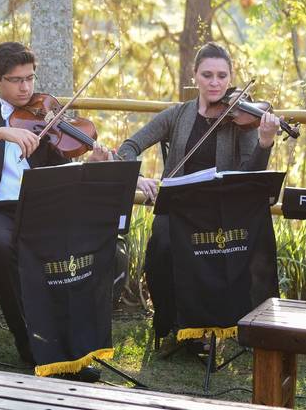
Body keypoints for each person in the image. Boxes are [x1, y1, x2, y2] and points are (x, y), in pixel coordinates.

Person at [0, 41, 109, 380]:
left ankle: (74, 344)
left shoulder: (45, 113)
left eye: (30, 78)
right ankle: (31, 345)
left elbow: (61, 161)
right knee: (2, 248)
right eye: (17, 80)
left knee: (72, 245)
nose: (26, 87)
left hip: (38, 208)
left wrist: (92, 160)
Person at [116, 41, 281, 341]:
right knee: (162, 247)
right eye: (207, 75)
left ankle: (213, 324)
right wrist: (137, 179)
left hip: (221, 213)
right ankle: (173, 324)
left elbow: (249, 175)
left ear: (231, 77)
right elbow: (127, 148)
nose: (215, 82)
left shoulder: (240, 119)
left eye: (221, 75)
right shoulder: (177, 115)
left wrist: (265, 141)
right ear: (194, 76)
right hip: (178, 208)